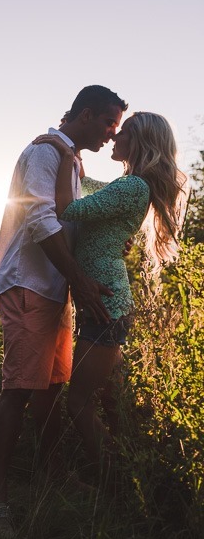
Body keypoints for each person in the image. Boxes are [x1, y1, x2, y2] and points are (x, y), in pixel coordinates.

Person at [0, 85, 128, 536]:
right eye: (108, 123)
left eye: (116, 128)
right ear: (85, 115)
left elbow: (75, 216)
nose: (110, 134)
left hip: (54, 289)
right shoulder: (43, 154)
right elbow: (41, 220)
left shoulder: (71, 161)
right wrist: (81, 282)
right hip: (29, 285)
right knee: (19, 389)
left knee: (50, 389)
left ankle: (54, 475)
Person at [33, 111, 188, 485]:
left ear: (138, 140)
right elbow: (83, 188)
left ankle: (116, 484)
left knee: (79, 402)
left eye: (123, 131)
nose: (114, 136)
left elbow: (69, 207)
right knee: (114, 404)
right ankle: (140, 478)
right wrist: (73, 160)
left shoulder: (133, 187)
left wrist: (67, 154)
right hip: (105, 304)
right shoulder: (128, 185)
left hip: (106, 305)